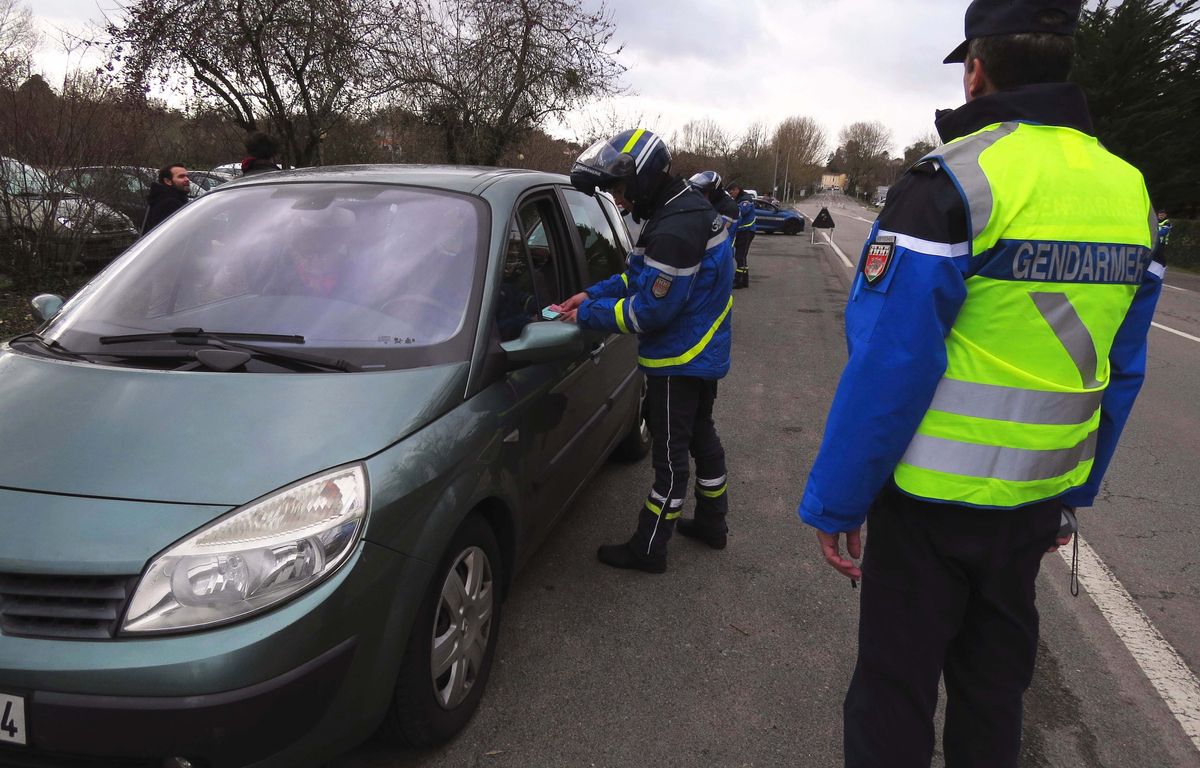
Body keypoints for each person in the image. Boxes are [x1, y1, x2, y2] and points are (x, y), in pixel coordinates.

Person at [795, 2, 1164, 767]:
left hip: (929, 505)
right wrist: (1076, 488)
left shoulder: (955, 182)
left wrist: (838, 498)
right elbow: (1120, 368)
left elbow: (891, 364)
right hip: (1032, 503)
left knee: (894, 695)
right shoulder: (1129, 193)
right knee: (995, 694)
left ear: (976, 69)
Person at [557, 128, 735, 573]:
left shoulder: (674, 227)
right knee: (702, 439)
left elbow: (649, 311)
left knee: (671, 460)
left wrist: (587, 316)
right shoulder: (676, 210)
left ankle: (649, 548)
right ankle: (714, 523)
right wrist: (589, 294)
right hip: (701, 353)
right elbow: (637, 275)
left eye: (618, 189)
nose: (617, 201)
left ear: (642, 178)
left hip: (680, 359)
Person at [141, 164, 190, 234]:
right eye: (181, 176)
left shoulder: (159, 198)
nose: (187, 179)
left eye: (187, 176)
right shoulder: (171, 204)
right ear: (167, 181)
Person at [725, 181, 756, 288]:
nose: (730, 193)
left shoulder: (745, 200)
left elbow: (740, 212)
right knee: (742, 256)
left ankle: (738, 281)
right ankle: (744, 280)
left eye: (732, 191)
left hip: (746, 230)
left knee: (739, 256)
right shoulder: (739, 199)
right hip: (743, 231)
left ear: (737, 189)